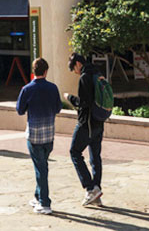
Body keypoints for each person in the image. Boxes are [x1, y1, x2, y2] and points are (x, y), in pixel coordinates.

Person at [16, 57, 61, 215]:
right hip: (49, 134)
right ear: (46, 71)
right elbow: (58, 108)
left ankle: (45, 202)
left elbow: (20, 110)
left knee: (40, 168)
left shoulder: (27, 89)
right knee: (42, 166)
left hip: (34, 134)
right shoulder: (53, 88)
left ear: (33, 71)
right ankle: (37, 196)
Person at [66, 53, 106, 207]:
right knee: (95, 156)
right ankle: (97, 191)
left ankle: (90, 188)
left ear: (77, 64)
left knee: (74, 152)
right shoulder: (97, 72)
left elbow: (83, 103)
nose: (75, 72)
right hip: (99, 122)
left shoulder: (85, 77)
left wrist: (70, 98)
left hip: (86, 123)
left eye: (73, 69)